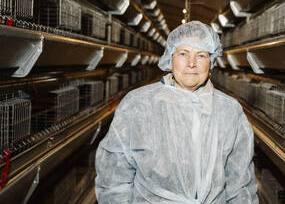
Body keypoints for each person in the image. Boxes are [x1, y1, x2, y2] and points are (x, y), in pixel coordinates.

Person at [95, 21, 258, 203]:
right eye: (183, 54)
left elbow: (240, 182)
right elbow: (114, 178)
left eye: (201, 55)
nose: (191, 64)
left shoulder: (229, 110)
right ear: (170, 58)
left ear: (211, 62)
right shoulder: (138, 104)